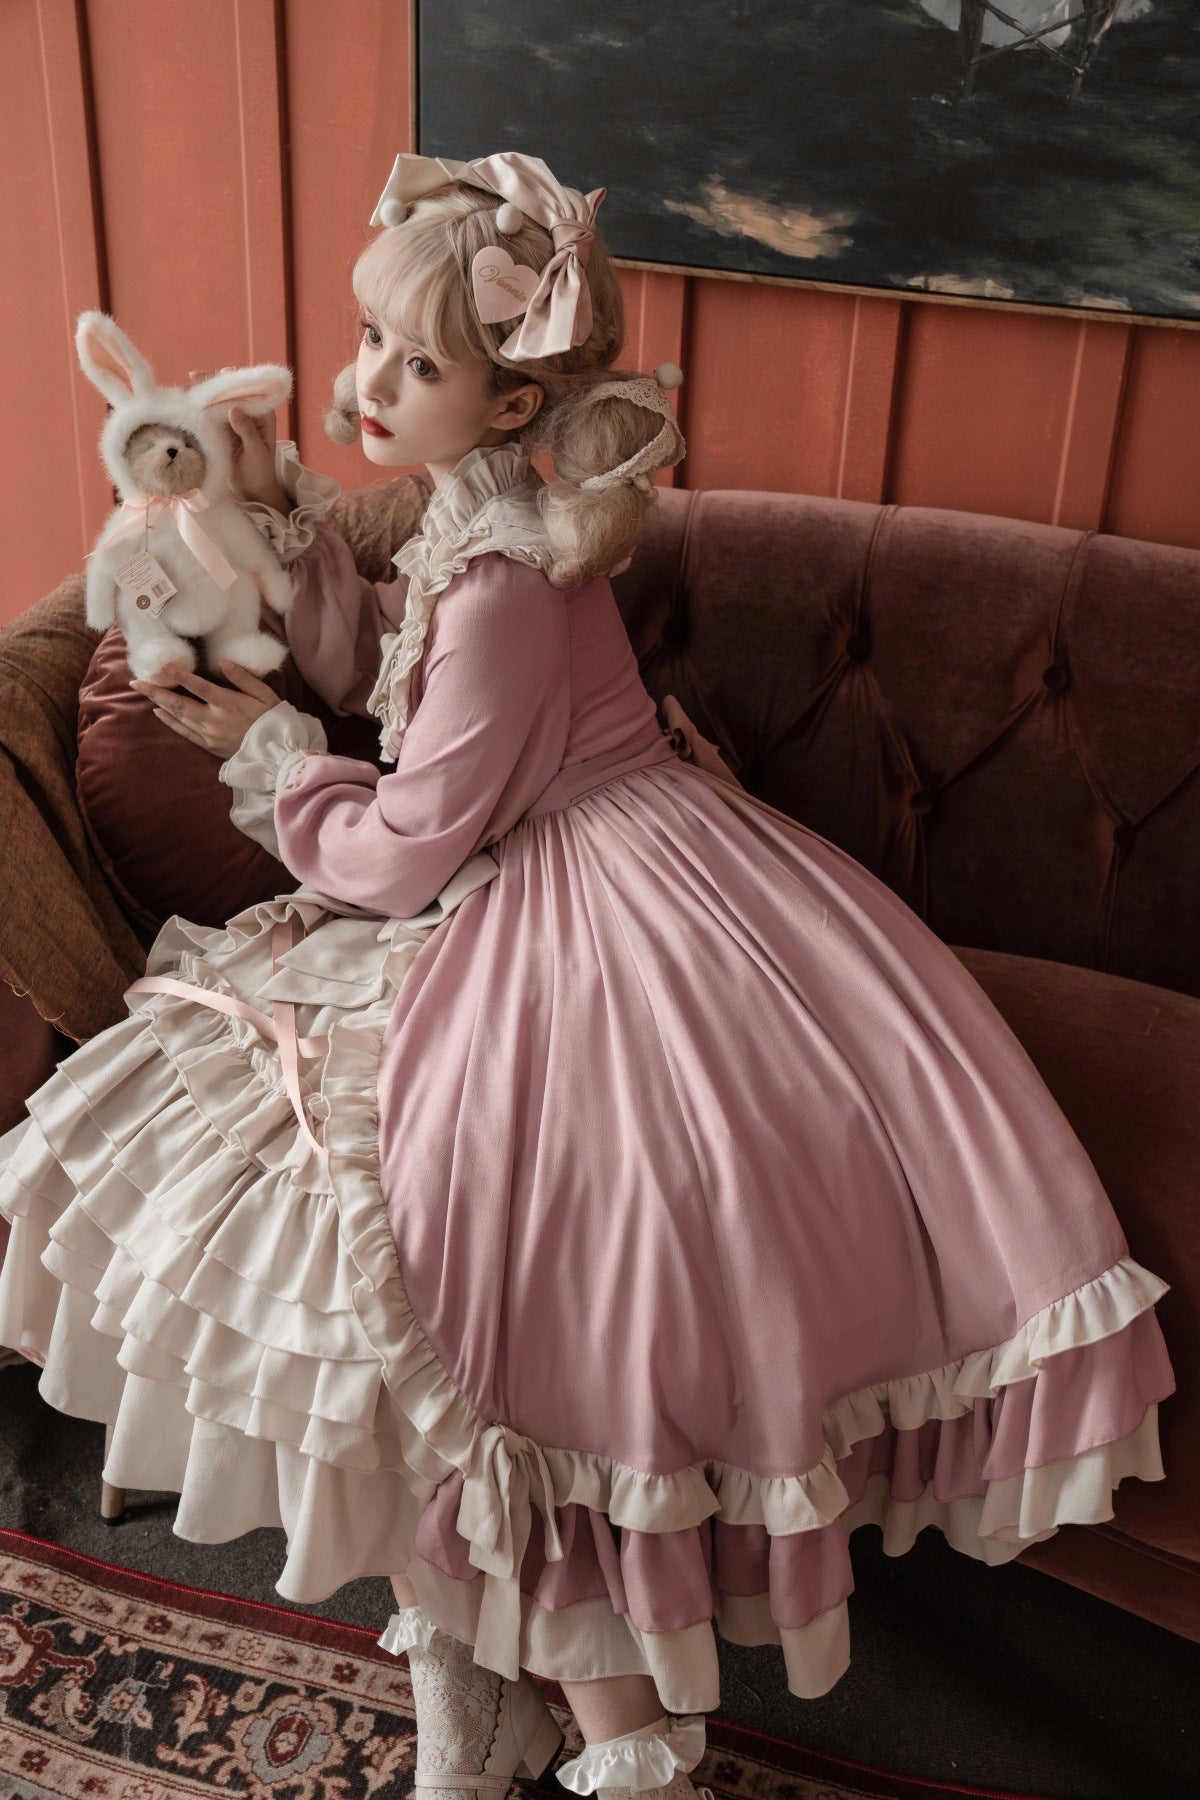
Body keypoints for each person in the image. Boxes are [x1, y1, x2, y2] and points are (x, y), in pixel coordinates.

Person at [0, 150, 1176, 1800]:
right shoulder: (486, 520)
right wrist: (282, 526)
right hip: (582, 857)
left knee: (473, 1258)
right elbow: (392, 669)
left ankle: (606, 1725)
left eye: (417, 361)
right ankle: (483, 1664)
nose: (368, 380)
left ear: (507, 402)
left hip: (589, 898)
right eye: (369, 339)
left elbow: (411, 842)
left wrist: (270, 757)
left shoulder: (504, 578)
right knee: (363, 1248)